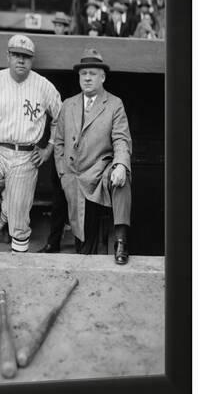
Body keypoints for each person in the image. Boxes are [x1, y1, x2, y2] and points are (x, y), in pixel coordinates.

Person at [0, 34, 62, 255]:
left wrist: (48, 149)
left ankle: (18, 263)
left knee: (18, 220)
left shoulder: (44, 86)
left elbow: (59, 119)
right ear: (8, 56)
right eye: (16, 55)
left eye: (26, 56)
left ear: (32, 60)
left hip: (25, 156)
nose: (21, 60)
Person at [54, 48, 132, 265]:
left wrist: (120, 165)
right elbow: (59, 141)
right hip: (74, 177)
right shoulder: (69, 104)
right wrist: (63, 173)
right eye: (83, 73)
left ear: (103, 77)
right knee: (83, 246)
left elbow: (121, 140)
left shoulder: (114, 103)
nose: (87, 78)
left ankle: (121, 241)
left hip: (100, 172)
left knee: (123, 178)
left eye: (92, 73)